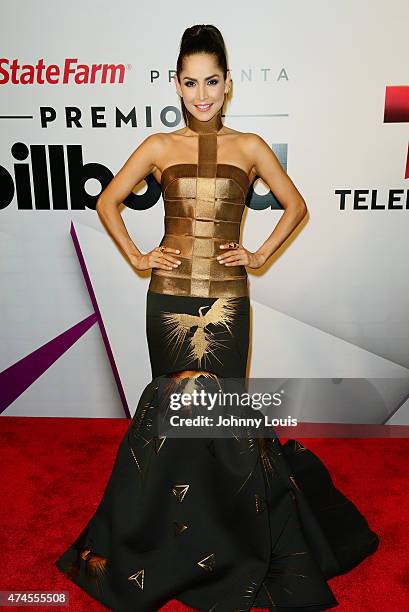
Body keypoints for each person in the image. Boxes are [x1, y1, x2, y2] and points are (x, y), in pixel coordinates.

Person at [54, 24, 379, 612]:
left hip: (229, 299)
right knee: (175, 419)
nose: (200, 94)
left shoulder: (251, 146)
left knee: (227, 420)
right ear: (176, 84)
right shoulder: (157, 146)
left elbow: (296, 205)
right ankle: (169, 541)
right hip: (169, 299)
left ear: (227, 85)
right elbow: (107, 200)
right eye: (189, 82)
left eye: (211, 81)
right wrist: (137, 255)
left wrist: (257, 257)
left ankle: (230, 541)